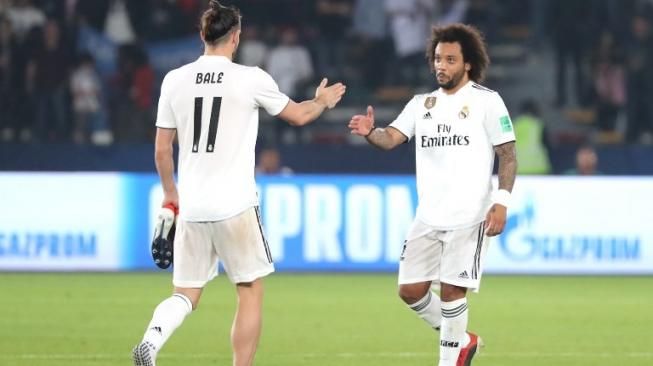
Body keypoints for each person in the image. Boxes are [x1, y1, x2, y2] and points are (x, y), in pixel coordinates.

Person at [131, 1, 346, 366]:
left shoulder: (173, 80)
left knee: (185, 293)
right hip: (235, 205)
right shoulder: (251, 78)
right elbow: (298, 115)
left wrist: (171, 196)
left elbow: (162, 149)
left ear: (202, 36)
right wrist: (322, 101)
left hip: (194, 206)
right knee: (249, 291)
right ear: (236, 38)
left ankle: (151, 341)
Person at [348, 23, 517, 366]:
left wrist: (501, 201)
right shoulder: (420, 104)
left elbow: (508, 154)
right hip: (427, 216)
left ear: (467, 64)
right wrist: (370, 133)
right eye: (438, 58)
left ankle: (449, 359)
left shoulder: (487, 101)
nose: (441, 65)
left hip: (469, 217)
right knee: (410, 291)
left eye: (450, 59)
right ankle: (462, 339)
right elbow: (389, 138)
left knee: (454, 291)